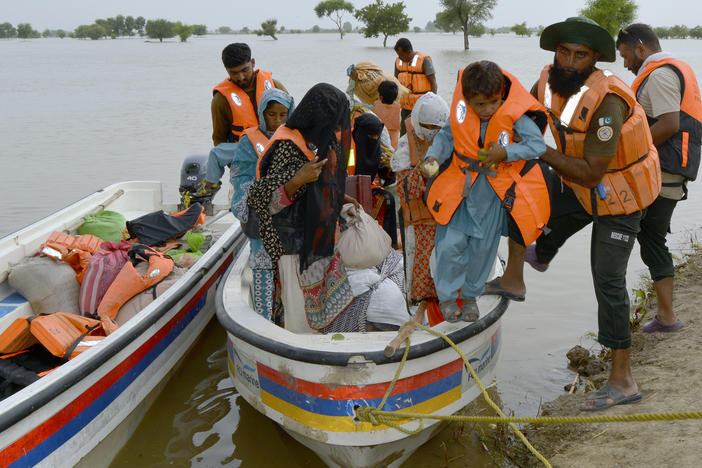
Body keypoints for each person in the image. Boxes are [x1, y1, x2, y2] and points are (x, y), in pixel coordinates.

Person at [493, 17, 661, 411]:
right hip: (580, 186)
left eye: (579, 55)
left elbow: (592, 171)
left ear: (595, 60)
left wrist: (539, 151)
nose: (568, 62)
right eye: (562, 52)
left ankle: (623, 380)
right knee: (518, 195)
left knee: (607, 278)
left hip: (619, 197)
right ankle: (515, 277)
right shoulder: (549, 81)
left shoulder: (609, 102)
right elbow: (520, 112)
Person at [422, 61, 548, 323]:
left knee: (483, 249)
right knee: (448, 246)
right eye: (480, 105)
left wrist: (506, 152)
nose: (488, 110)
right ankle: (447, 297)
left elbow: (536, 144)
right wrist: (433, 158)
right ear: (467, 100)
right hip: (458, 191)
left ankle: (470, 296)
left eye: (494, 102)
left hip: (490, 195)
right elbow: (446, 137)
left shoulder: (515, 115)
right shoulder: (460, 113)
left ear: (502, 95)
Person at [248, 83, 358, 333]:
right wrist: (298, 179)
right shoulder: (287, 146)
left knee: (326, 315)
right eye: (335, 122)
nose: (338, 129)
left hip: (316, 240)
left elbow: (321, 187)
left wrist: (343, 199)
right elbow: (260, 200)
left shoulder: (316, 140)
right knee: (300, 319)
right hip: (292, 246)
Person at [616, 23, 702, 333]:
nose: (625, 64)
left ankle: (656, 317)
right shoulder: (670, 69)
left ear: (640, 48)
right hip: (671, 170)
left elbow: (668, 124)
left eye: (625, 55)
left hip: (664, 171)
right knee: (651, 238)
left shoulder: (660, 75)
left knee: (624, 235)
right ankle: (665, 317)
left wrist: (625, 153)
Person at [202, 89, 293, 322]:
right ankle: (264, 320)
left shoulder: (294, 138)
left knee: (288, 268)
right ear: (263, 114)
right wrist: (255, 204)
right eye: (272, 115)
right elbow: (241, 176)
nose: (278, 121)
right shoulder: (249, 141)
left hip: (288, 216)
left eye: (284, 115)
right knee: (263, 266)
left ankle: (284, 316)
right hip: (261, 215)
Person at [390, 92, 449, 318]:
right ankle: (419, 309)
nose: (432, 133)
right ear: (416, 122)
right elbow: (409, 187)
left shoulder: (449, 139)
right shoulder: (405, 149)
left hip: (445, 219)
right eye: (427, 127)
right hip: (417, 221)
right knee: (418, 269)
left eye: (437, 128)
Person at [211, 43, 287, 146]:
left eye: (244, 70)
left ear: (253, 62)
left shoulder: (275, 86)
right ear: (226, 69)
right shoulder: (220, 100)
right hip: (244, 158)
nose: (241, 77)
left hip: (278, 151)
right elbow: (219, 139)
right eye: (234, 73)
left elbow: (294, 122)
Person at [352, 113, 398, 247]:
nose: (374, 139)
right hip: (348, 189)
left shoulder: (376, 147)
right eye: (371, 136)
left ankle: (388, 245)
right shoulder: (350, 147)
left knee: (389, 199)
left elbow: (384, 175)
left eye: (377, 136)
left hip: (368, 187)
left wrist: (388, 167)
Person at [394, 38, 438, 134]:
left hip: (422, 107)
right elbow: (396, 82)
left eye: (401, 55)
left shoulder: (424, 60)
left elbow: (433, 82)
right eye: (398, 55)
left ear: (409, 52)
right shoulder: (398, 62)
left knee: (421, 135)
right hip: (406, 107)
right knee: (404, 135)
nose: (399, 58)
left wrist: (432, 103)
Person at [373, 81, 402, 150]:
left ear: (381, 97)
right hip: (393, 147)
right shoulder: (399, 109)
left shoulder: (375, 106)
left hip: (378, 145)